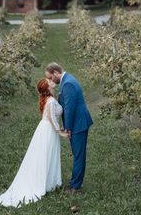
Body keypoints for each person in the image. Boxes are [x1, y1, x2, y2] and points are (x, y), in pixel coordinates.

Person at [0, 78, 69, 207]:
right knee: (46, 156)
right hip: (49, 130)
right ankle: (46, 183)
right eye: (50, 82)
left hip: (44, 129)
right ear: (48, 88)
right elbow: (52, 118)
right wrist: (60, 132)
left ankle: (49, 182)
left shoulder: (49, 99)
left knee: (44, 156)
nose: (52, 81)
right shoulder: (51, 100)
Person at [45, 62, 93, 193]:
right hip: (77, 122)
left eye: (50, 77)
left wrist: (68, 128)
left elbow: (69, 108)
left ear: (56, 72)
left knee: (78, 155)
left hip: (79, 123)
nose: (50, 80)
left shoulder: (68, 84)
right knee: (78, 154)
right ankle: (75, 183)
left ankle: (76, 187)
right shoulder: (66, 81)